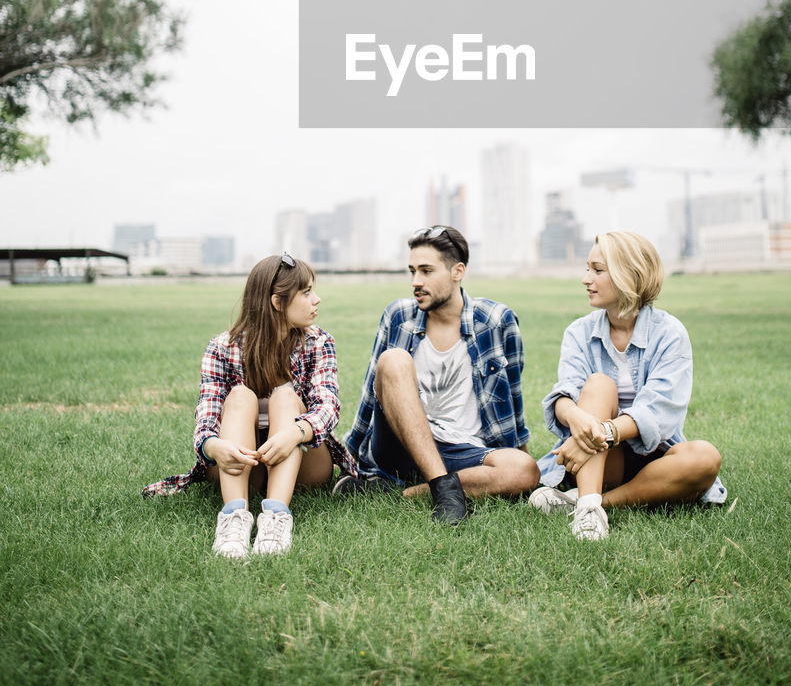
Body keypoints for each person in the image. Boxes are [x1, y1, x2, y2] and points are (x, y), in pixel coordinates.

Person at [143, 253, 356, 558]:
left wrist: (294, 434)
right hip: (243, 462)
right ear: (277, 302)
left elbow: (328, 405)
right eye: (307, 292)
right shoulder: (222, 347)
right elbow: (207, 414)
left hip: (303, 461)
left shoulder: (319, 342)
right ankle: (233, 519)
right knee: (240, 396)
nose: (317, 299)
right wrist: (213, 447)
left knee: (285, 396)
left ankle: (276, 518)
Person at [334, 224, 539, 525]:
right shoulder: (398, 317)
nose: (416, 281)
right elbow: (370, 393)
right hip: (402, 443)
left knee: (525, 470)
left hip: (461, 449)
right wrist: (350, 462)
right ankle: (445, 491)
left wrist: (519, 456)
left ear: (457, 272)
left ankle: (403, 492)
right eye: (412, 271)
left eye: (427, 271)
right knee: (393, 361)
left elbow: (513, 394)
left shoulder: (497, 320)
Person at [529, 230, 725, 540]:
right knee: (599, 385)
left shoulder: (669, 333)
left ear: (628, 276)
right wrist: (577, 418)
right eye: (587, 268)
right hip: (601, 459)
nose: (585, 279)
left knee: (705, 458)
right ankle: (590, 510)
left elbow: (660, 412)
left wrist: (603, 431)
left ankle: (583, 504)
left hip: (655, 455)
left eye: (597, 270)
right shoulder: (578, 332)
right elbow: (564, 393)